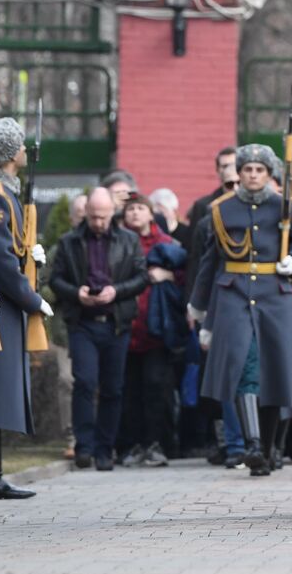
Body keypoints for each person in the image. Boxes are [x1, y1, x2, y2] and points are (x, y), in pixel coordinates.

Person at [188, 144, 292, 477]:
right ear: (238, 174)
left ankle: (269, 448)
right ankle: (254, 445)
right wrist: (199, 308)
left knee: (274, 373)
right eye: (247, 170)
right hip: (234, 296)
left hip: (277, 296)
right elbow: (210, 262)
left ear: (270, 174)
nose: (253, 175)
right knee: (245, 367)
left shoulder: (289, 208)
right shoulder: (220, 210)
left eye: (259, 170)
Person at [0, 117, 52, 501]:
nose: (24, 150)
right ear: (7, 154)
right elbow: (1, 260)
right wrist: (31, 298)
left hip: (5, 307)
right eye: (18, 145)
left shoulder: (4, 191)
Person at [47, 187, 149, 470]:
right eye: (93, 217)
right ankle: (84, 447)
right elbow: (55, 281)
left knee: (113, 389)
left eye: (103, 217)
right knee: (85, 383)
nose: (98, 223)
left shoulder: (128, 240)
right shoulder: (69, 242)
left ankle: (105, 450)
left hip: (116, 323)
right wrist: (76, 293)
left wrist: (116, 291)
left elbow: (142, 277)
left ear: (112, 214)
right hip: (83, 322)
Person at [118, 193, 179, 468]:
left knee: (157, 389)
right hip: (125, 329)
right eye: (130, 209)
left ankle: (158, 444)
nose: (135, 214)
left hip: (156, 330)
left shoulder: (167, 244)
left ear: (151, 213)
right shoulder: (117, 241)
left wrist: (170, 276)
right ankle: (133, 445)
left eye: (140, 208)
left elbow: (189, 274)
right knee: (129, 392)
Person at [186, 147, 238, 231]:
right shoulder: (203, 206)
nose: (230, 169)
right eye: (225, 166)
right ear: (218, 170)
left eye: (234, 165)